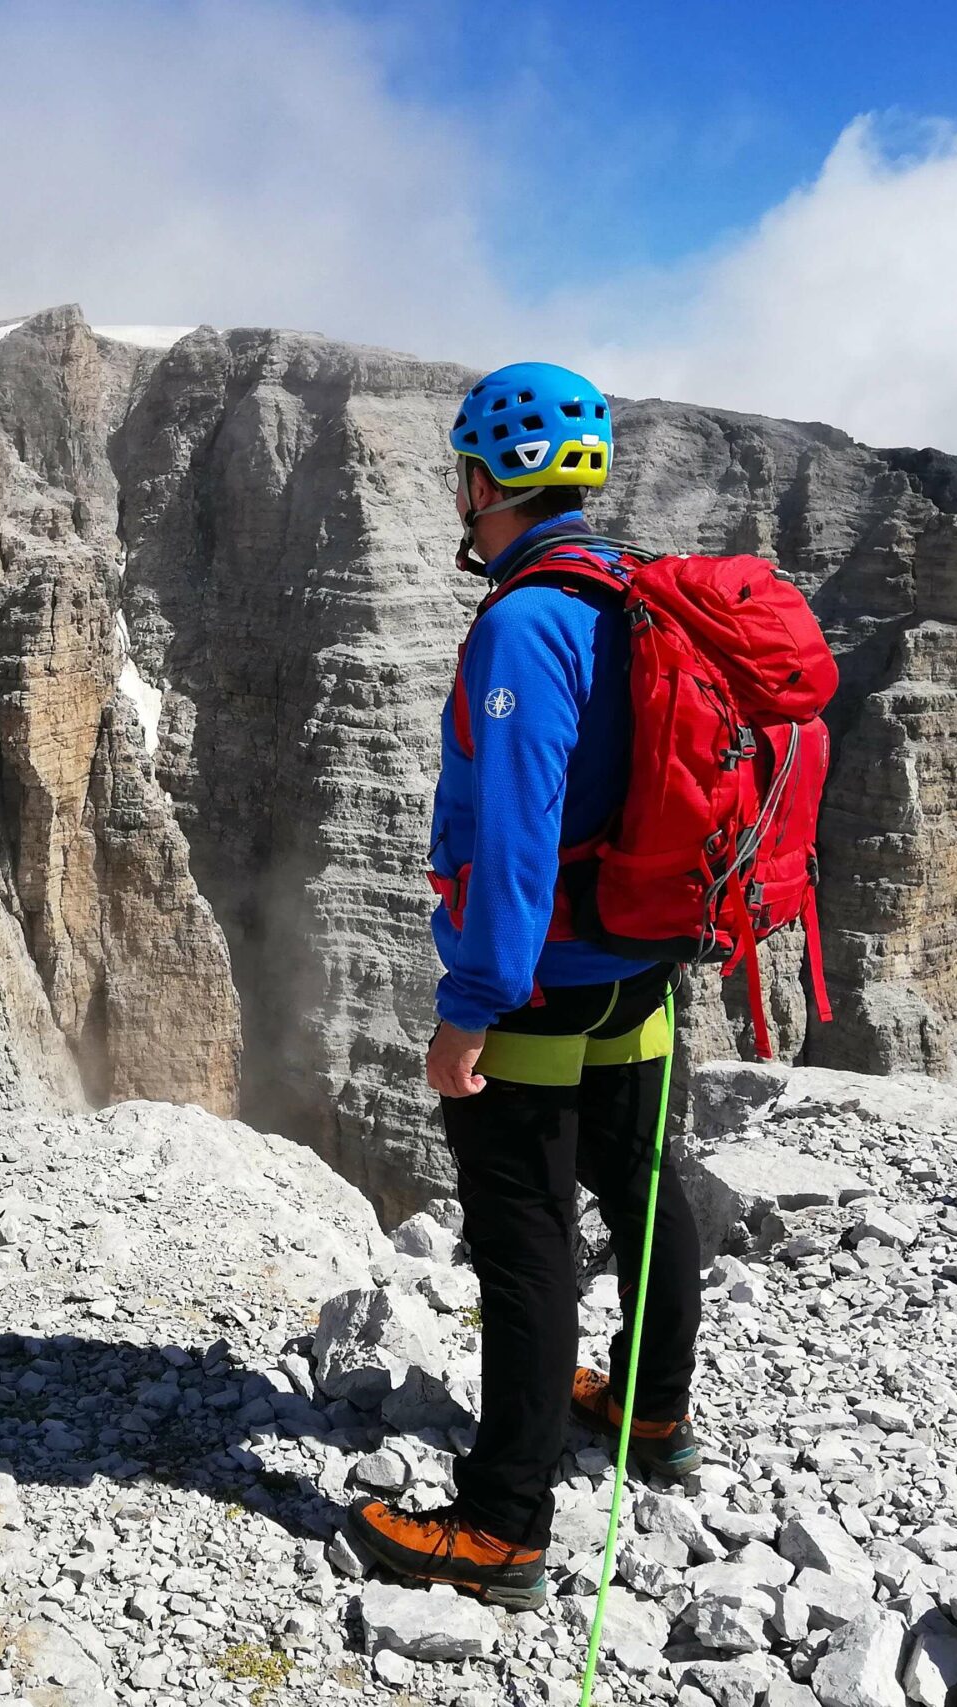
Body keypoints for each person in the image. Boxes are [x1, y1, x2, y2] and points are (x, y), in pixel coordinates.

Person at [346, 362, 704, 1611]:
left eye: (463, 474)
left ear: (492, 478)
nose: (460, 495)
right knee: (644, 1192)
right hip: (643, 973)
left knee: (525, 1242)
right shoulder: (627, 594)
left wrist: (473, 1004)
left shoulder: (520, 623)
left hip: (543, 983)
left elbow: (512, 827)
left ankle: (502, 1528)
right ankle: (652, 1420)